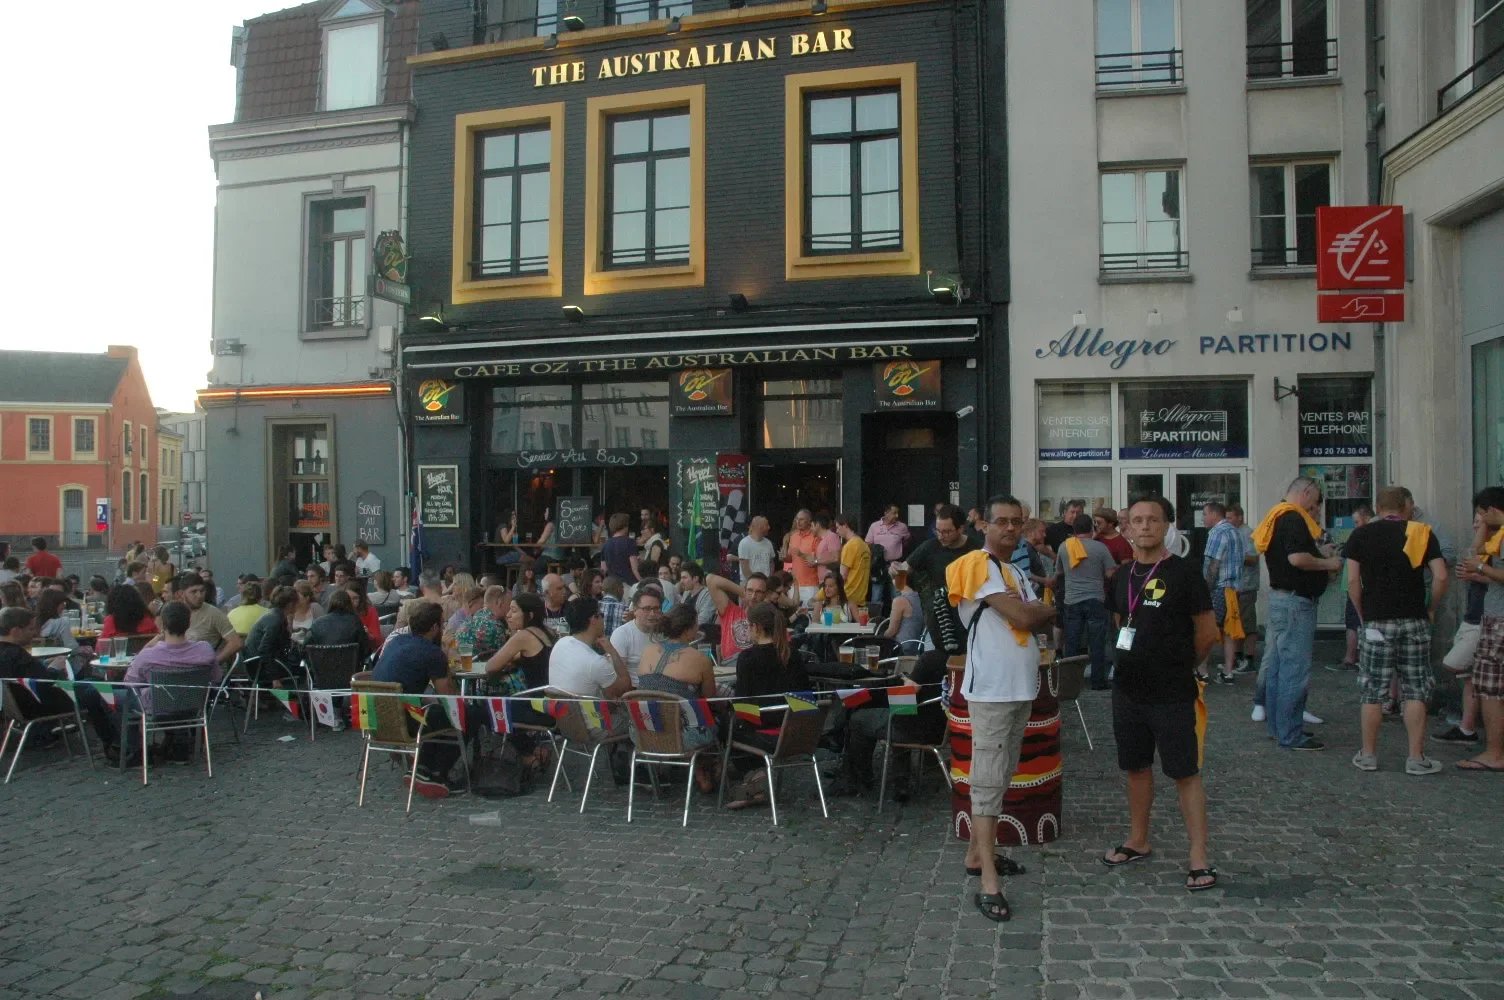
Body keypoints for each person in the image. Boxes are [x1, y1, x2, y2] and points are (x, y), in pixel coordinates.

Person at [1101, 495, 1219, 893]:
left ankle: (1198, 856)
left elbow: (1207, 634)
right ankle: (1138, 839)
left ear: (1168, 525)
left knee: (1185, 772)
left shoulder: (1186, 574)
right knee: (1135, 767)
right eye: (1137, 520)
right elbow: (1121, 623)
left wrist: (1181, 665)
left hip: (1172, 691)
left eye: (1153, 519)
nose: (1145, 526)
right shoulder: (1120, 576)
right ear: (1127, 528)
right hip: (1128, 691)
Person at [946, 495, 1056, 922]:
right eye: (1001, 522)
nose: (1009, 529)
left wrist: (1037, 609)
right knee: (988, 781)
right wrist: (1041, 609)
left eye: (1016, 522)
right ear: (984, 526)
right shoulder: (979, 565)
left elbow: (1034, 614)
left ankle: (977, 854)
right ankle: (989, 880)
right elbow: (1027, 618)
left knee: (1003, 771)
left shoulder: (1014, 572)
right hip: (990, 689)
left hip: (1018, 687)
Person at [1344, 486, 1448, 775]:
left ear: (1378, 508)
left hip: (1377, 619)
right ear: (1405, 506)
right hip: (1413, 617)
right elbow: (1440, 575)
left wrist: (1362, 612)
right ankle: (1416, 758)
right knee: (1415, 687)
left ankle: (1368, 755)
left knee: (1372, 690)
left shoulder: (1361, 535)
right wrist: (1431, 607)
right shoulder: (1420, 532)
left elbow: (1352, 581)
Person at [1252, 477, 1341, 751]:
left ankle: (1279, 728)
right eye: (1314, 505)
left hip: (1282, 600)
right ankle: (1291, 734)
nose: (1314, 511)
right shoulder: (1292, 517)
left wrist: (1316, 551)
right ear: (1305, 493)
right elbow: (1296, 558)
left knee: (1279, 667)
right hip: (1295, 602)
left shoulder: (1276, 515)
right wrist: (1329, 561)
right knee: (1293, 670)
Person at [372, 600, 467, 798]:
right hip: (407, 720)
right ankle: (436, 772)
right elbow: (448, 699)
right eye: (441, 624)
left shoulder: (395, 641)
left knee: (436, 714)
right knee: (466, 715)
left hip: (374, 719)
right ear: (434, 627)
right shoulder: (432, 653)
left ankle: (422, 768)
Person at [119, 600, 223, 762]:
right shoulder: (205, 650)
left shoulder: (148, 656)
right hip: (193, 705)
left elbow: (130, 683)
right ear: (188, 623)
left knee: (121, 698)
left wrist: (155, 640)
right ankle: (178, 743)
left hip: (157, 708)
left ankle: (136, 751)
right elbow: (216, 678)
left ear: (163, 624)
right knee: (169, 696)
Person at [1456, 486, 1504, 772]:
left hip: (1499, 621)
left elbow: (1483, 564)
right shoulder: (1496, 536)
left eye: (1481, 515)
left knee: (1490, 688)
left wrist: (1482, 569)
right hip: (1495, 617)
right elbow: (1475, 553)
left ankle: (1495, 753)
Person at [636, 604, 720, 764]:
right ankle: (705, 768)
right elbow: (709, 698)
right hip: (683, 735)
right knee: (718, 719)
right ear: (688, 629)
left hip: (644, 732)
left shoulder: (648, 650)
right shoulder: (700, 659)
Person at [1435, 512, 1488, 746]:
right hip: (1473, 615)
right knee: (1469, 677)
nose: (1476, 524)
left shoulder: (1497, 545)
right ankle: (1467, 729)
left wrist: (1477, 573)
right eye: (1475, 519)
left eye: (1481, 518)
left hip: (1485, 619)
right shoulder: (1484, 545)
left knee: (1455, 664)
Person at [1055, 514, 1115, 690]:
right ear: (1092, 528)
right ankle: (1098, 681)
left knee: (1072, 642)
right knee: (1097, 643)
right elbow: (1110, 573)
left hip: (1072, 599)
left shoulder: (1065, 546)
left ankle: (1070, 682)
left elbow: (1058, 572)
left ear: (1074, 530)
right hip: (1096, 598)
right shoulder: (1100, 548)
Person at [547, 598, 632, 722]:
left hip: (564, 721)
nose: (603, 619)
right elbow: (625, 687)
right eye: (601, 615)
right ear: (593, 619)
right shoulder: (595, 662)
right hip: (596, 726)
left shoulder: (560, 643)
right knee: (636, 722)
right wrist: (612, 651)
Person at [907, 504, 980, 647]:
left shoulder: (977, 549)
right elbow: (904, 569)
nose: (941, 536)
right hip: (940, 620)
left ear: (961, 528)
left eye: (947, 532)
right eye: (938, 531)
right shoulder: (929, 547)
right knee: (931, 662)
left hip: (971, 620)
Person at [1201, 502, 1248, 686]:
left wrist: (1206, 589)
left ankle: (1202, 671)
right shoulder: (1235, 531)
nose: (1203, 518)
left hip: (1218, 588)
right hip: (1234, 588)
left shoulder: (1217, 533)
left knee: (1207, 629)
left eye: (1205, 514)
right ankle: (1228, 671)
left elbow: (1213, 564)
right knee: (1229, 631)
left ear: (1214, 514)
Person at [1333, 505, 1377, 672]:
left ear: (1366, 517)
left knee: (1353, 622)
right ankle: (1357, 656)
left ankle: (1350, 657)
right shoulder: (1372, 534)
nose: (1355, 525)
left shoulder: (1363, 535)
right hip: (1359, 584)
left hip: (1356, 584)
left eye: (1357, 521)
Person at [244, 586, 301, 689]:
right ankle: (294, 701)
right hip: (262, 668)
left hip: (256, 664)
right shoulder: (276, 621)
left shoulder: (272, 616)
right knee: (302, 669)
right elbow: (265, 649)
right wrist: (274, 677)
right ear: (290, 604)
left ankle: (287, 702)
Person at [705, 571, 768, 664]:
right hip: (729, 668)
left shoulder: (770, 620)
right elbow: (710, 579)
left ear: (766, 595)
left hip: (754, 667)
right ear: (744, 590)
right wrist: (744, 594)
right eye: (750, 590)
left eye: (758, 592)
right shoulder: (730, 611)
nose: (754, 596)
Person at [1227, 504, 1261, 675]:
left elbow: (1253, 558)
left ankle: (1249, 659)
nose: (1227, 521)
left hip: (1246, 586)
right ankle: (1238, 657)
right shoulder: (1234, 533)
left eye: (1230, 518)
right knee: (1237, 623)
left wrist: (1233, 556)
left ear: (1240, 517)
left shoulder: (1247, 533)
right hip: (1236, 586)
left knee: (1248, 624)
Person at [610, 586, 663, 681]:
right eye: (647, 609)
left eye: (656, 608)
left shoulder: (664, 633)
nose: (652, 614)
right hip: (634, 690)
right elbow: (618, 675)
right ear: (635, 610)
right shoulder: (622, 634)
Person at [306, 589, 371, 660]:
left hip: (322, 668)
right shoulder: (355, 622)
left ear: (330, 603)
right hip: (351, 668)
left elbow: (305, 649)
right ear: (349, 603)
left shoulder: (317, 623)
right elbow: (366, 650)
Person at [458, 585, 511, 661]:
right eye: (509, 604)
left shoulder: (470, 619)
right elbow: (505, 658)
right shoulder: (495, 627)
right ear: (499, 603)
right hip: (479, 670)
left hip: (461, 667)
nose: (510, 608)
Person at [780, 510, 820, 602]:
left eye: (801, 520)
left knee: (809, 613)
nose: (798, 522)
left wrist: (801, 554)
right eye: (797, 519)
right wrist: (784, 557)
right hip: (794, 584)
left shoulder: (815, 537)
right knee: (793, 614)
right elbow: (790, 559)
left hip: (810, 584)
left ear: (809, 521)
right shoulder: (793, 536)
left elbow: (817, 560)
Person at [834, 513, 871, 607]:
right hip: (861, 598)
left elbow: (843, 576)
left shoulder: (849, 546)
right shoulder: (864, 545)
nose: (837, 531)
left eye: (838, 527)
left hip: (848, 598)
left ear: (845, 525)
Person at [884, 570, 925, 646]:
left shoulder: (899, 601)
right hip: (918, 647)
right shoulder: (922, 597)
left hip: (900, 648)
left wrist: (879, 637)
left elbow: (891, 631)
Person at [599, 513, 640, 582]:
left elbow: (604, 569)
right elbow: (635, 569)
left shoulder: (605, 545)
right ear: (625, 526)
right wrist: (642, 582)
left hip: (612, 584)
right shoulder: (630, 542)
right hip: (628, 583)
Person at [676, 562, 717, 630]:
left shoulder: (708, 595)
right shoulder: (686, 593)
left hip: (697, 634)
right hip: (683, 631)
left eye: (684, 578)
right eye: (681, 578)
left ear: (695, 578)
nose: (681, 581)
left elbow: (703, 620)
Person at [346, 581, 384, 652]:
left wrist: (368, 634)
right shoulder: (340, 610)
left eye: (355, 598)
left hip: (363, 650)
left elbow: (377, 641)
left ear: (361, 599)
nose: (351, 602)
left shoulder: (370, 611)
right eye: (348, 598)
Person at [737, 515, 777, 581]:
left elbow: (771, 563)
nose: (769, 527)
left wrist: (769, 578)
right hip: (748, 584)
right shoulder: (745, 543)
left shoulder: (768, 543)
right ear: (759, 527)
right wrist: (755, 582)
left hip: (765, 583)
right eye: (767, 525)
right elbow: (745, 569)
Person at [540, 573, 570, 637]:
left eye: (564, 587)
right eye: (559, 589)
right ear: (546, 592)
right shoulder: (537, 610)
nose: (564, 591)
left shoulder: (572, 608)